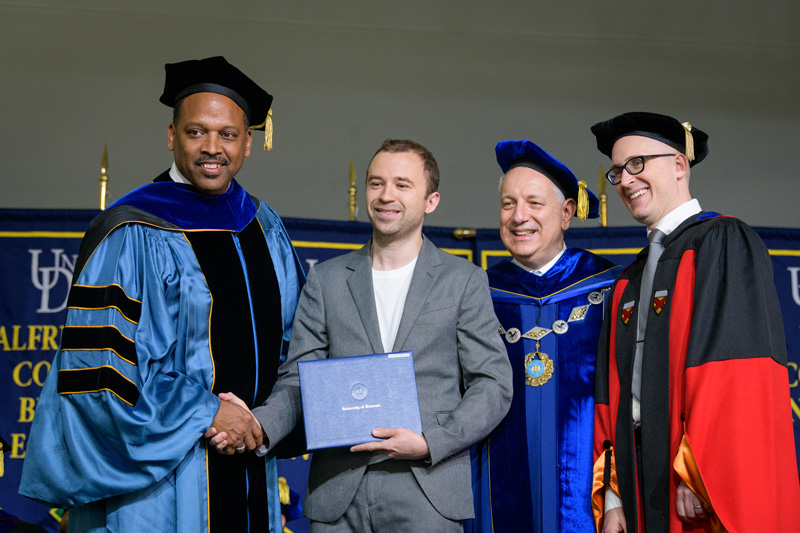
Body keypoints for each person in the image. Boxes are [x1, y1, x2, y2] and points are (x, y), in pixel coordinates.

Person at [19, 56, 304, 532]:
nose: (212, 148)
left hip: (250, 461)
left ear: (248, 143)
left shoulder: (263, 225)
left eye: (227, 134)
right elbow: (100, 379)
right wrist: (211, 412)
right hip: (161, 482)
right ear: (172, 136)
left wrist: (260, 421)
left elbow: (297, 345)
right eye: (196, 132)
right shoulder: (131, 231)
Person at [214, 139, 513, 532]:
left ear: (431, 200)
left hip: (427, 492)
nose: (386, 195)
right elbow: (300, 379)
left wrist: (430, 442)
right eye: (376, 183)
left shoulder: (464, 281)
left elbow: (492, 384)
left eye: (402, 184)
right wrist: (258, 423)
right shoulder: (327, 279)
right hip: (339, 495)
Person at [589, 111, 800, 532]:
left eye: (637, 164)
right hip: (636, 474)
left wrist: (699, 468)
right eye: (617, 172)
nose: (626, 180)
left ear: (680, 166)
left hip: (694, 478)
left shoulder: (722, 243)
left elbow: (733, 374)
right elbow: (612, 396)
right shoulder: (628, 281)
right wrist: (613, 493)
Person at [468, 140, 621, 533]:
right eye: (508, 204)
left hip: (592, 492)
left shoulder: (610, 289)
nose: (519, 217)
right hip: (492, 488)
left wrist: (617, 493)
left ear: (567, 212)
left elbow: (628, 400)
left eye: (535, 203)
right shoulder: (477, 293)